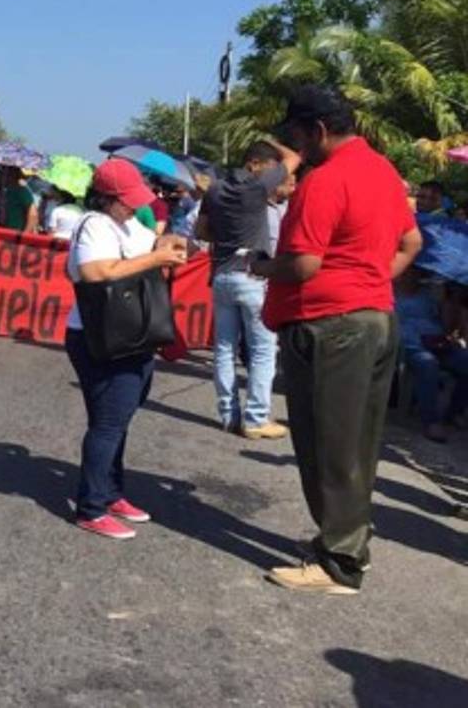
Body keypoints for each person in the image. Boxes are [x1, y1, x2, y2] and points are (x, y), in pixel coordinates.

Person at [253, 85, 422, 595]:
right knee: (359, 445)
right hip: (375, 318)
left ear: (319, 130)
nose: (298, 149)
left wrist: (261, 266)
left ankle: (339, 563)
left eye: (300, 138)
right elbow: (412, 242)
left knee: (327, 445)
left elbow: (304, 264)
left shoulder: (325, 180)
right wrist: (370, 280)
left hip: (330, 327)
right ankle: (347, 545)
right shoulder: (384, 172)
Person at [66, 159, 187, 539]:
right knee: (108, 423)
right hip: (99, 337)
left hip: (131, 335)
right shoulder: (94, 225)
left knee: (120, 419)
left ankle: (110, 491)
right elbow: (96, 273)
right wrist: (156, 257)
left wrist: (166, 244)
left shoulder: (126, 222)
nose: (136, 207)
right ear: (106, 198)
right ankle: (91, 506)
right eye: (128, 200)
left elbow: (148, 244)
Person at [195, 140, 301, 438]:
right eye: (270, 168)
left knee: (225, 349)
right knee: (263, 350)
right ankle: (256, 419)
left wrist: (227, 233)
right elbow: (294, 155)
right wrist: (272, 140)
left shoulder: (214, 189)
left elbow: (201, 231)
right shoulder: (257, 188)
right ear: (255, 163)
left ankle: (229, 415)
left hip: (221, 276)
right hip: (252, 277)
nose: (275, 176)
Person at [394, 267, 468, 442]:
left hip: (437, 342)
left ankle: (454, 412)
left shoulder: (429, 295)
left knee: (465, 361)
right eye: (409, 272)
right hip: (409, 344)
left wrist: (449, 304)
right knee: (428, 364)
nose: (412, 276)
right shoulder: (391, 294)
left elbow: (449, 327)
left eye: (416, 273)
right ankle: (431, 421)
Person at [2, 166, 38, 233]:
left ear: (14, 174)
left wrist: (25, 235)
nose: (2, 175)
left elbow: (33, 215)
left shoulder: (22, 191)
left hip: (17, 233)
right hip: (8, 231)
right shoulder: (8, 191)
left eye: (5, 172)